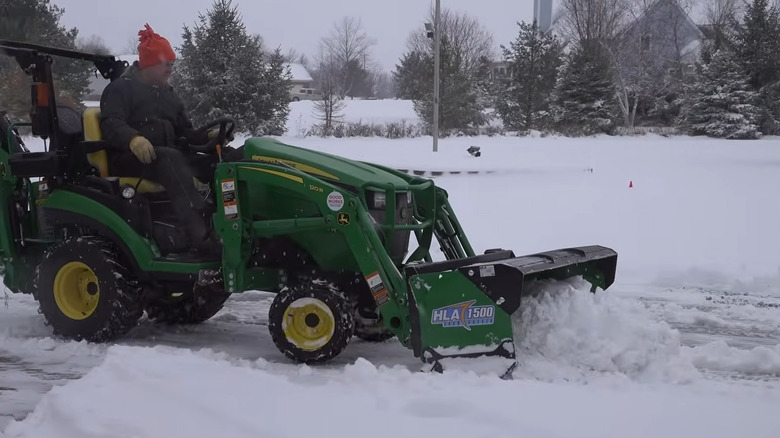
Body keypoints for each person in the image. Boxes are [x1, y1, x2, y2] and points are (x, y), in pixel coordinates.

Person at [100, 24, 242, 255]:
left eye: (172, 64)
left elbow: (184, 132)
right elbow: (111, 123)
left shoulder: (169, 95)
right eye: (165, 64)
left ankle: (235, 221)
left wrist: (210, 137)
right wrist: (134, 139)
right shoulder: (121, 90)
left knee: (224, 159)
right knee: (171, 159)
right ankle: (201, 234)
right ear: (148, 64)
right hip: (129, 157)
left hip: (166, 155)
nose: (170, 69)